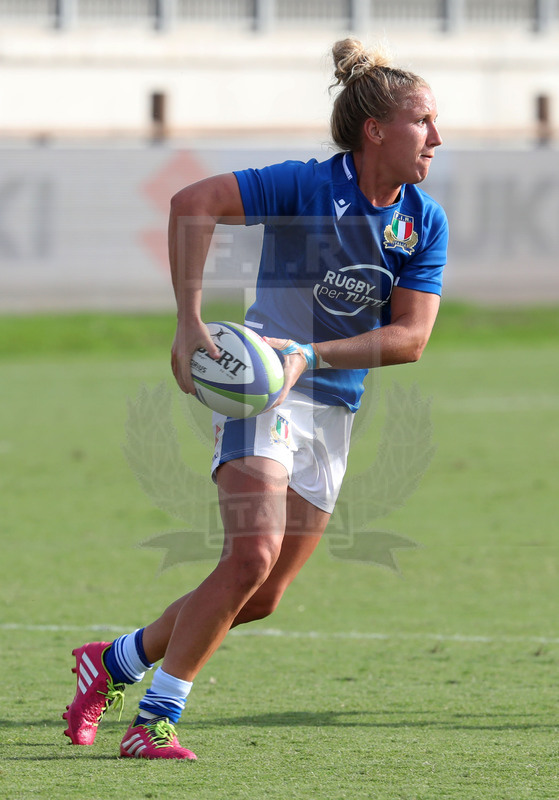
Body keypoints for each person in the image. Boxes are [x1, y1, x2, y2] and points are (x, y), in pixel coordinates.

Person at [63, 37, 447, 760]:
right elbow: (193, 202)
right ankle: (154, 721)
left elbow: (410, 338)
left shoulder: (421, 222)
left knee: (261, 593)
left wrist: (310, 355)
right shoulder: (307, 187)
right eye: (422, 120)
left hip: (330, 405)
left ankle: (112, 661)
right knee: (250, 557)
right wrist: (189, 321)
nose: (436, 136)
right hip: (258, 393)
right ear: (375, 130)